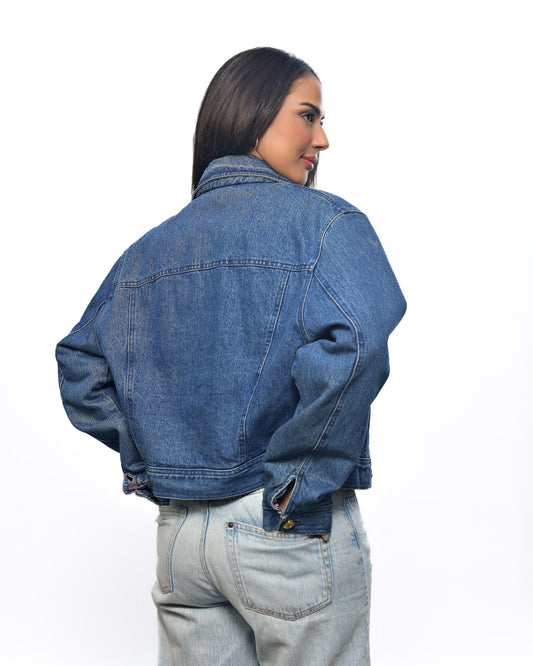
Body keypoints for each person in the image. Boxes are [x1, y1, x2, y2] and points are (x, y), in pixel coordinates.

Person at [56, 47, 406, 665]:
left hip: (183, 539)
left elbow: (81, 366)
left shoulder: (150, 250)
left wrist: (156, 465)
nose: (322, 139)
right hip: (284, 526)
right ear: (253, 114)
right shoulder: (324, 223)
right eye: (307, 115)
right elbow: (358, 341)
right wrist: (298, 479)